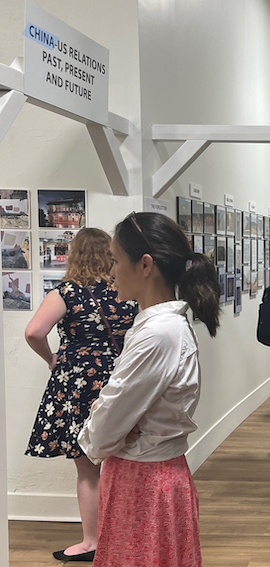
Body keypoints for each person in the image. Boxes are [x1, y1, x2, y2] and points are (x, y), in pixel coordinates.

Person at [77, 211, 221, 567]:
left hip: (144, 481)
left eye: (115, 260)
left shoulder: (159, 334)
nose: (110, 272)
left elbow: (103, 431)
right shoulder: (157, 328)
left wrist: (107, 423)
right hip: (144, 477)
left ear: (145, 265)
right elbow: (114, 416)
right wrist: (113, 421)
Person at [24, 228, 137, 563]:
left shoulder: (68, 292)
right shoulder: (125, 290)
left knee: (87, 468)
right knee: (125, 460)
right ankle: (130, 534)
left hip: (78, 383)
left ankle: (92, 542)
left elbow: (34, 331)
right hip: (120, 379)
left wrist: (52, 358)